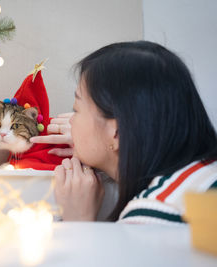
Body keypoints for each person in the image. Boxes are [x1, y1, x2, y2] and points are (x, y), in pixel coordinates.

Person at [30, 41, 217, 224]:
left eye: (76, 109)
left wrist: (78, 220)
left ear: (117, 132)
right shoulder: (203, 175)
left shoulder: (152, 216)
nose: (71, 121)